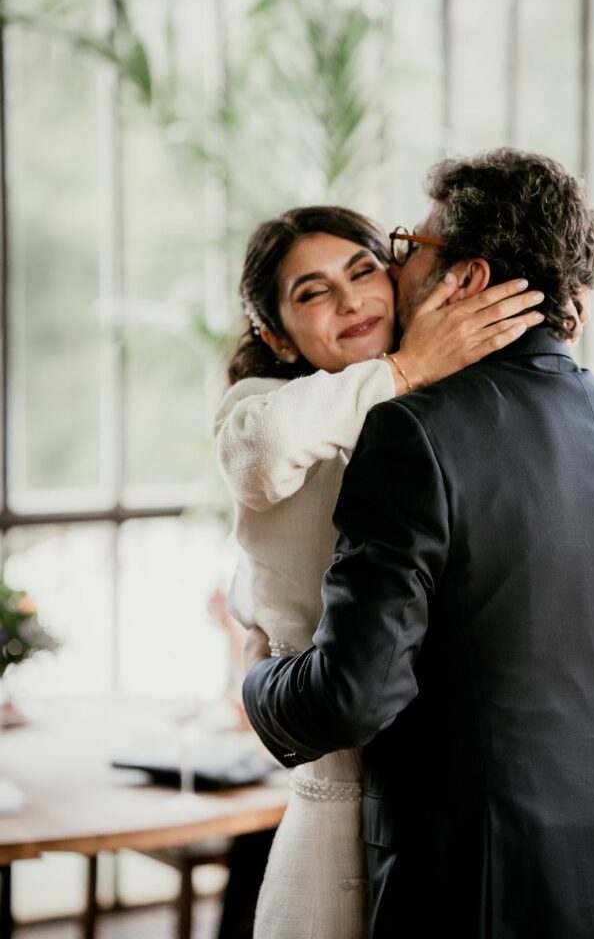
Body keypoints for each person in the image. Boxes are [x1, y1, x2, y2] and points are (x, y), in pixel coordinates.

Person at [242, 150, 594, 939]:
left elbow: (355, 695)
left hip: (472, 892)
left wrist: (261, 681)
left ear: (467, 279)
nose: (396, 267)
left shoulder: (411, 433)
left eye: (409, 248)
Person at [213, 204, 549, 939]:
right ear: (277, 336)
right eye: (311, 292)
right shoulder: (262, 404)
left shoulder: (437, 402)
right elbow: (262, 456)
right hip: (337, 789)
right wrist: (406, 365)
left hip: (450, 792)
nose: (348, 299)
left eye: (363, 270)